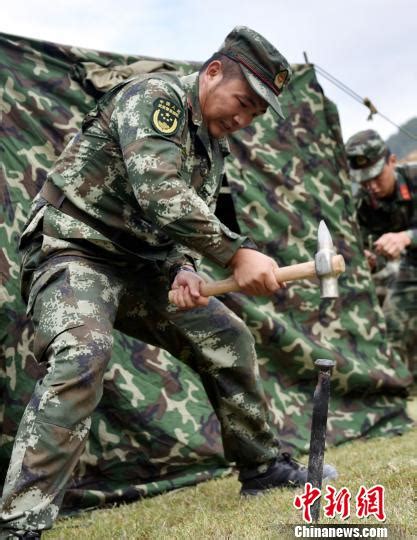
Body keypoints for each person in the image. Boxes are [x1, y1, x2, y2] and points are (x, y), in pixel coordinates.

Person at [0, 26, 336, 538]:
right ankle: (20, 521)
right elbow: (158, 190)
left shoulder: (211, 151)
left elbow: (177, 226)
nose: (243, 119)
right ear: (214, 71)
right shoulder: (155, 98)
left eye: (255, 116)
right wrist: (237, 252)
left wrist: (185, 270)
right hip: (72, 250)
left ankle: (263, 467)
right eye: (242, 103)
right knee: (83, 354)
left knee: (227, 337)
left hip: (141, 268)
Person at [345, 129, 417, 377]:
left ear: (392, 161)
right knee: (393, 328)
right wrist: (371, 260)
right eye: (364, 181)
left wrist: (408, 236)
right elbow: (369, 247)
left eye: (376, 177)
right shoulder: (363, 204)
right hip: (411, 270)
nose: (372, 186)